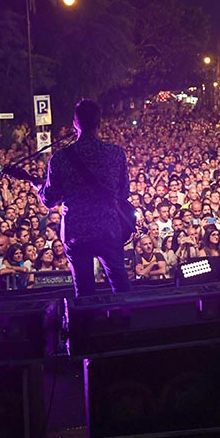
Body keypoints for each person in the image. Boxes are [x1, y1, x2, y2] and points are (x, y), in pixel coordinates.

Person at [34, 99, 131, 297]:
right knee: (120, 285)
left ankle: (87, 325)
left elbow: (50, 200)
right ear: (99, 123)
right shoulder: (116, 154)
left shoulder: (60, 158)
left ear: (74, 123)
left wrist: (38, 187)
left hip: (76, 231)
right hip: (108, 228)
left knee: (84, 290)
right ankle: (127, 321)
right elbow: (123, 194)